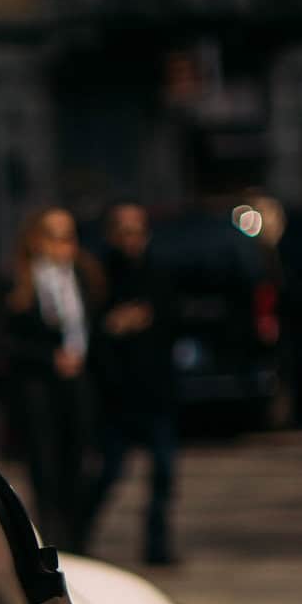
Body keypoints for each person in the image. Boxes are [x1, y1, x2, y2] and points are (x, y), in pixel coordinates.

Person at [3, 205, 104, 549]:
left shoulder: (85, 276)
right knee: (45, 472)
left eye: (69, 236)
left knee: (81, 469)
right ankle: (55, 544)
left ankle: (79, 542)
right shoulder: (21, 282)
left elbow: (96, 325)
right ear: (36, 239)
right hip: (38, 391)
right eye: (55, 235)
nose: (64, 244)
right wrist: (49, 359)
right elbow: (6, 343)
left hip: (79, 389)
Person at [87, 200, 179, 569]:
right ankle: (78, 537)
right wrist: (113, 327)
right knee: (108, 473)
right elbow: (91, 334)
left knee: (164, 473)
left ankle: (158, 546)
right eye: (124, 231)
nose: (132, 239)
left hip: (156, 393)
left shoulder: (159, 273)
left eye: (138, 230)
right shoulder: (100, 278)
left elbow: (172, 322)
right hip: (116, 397)